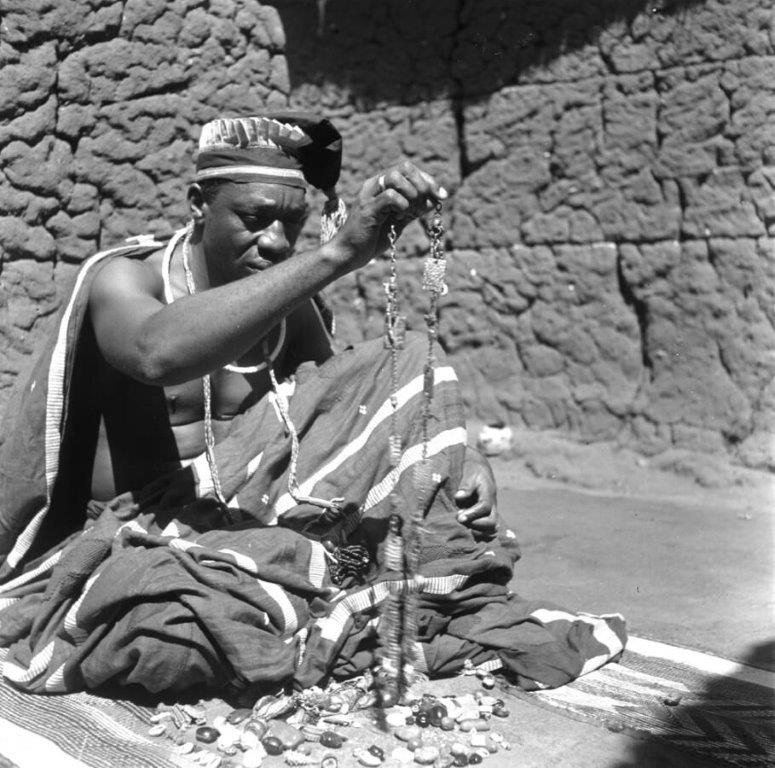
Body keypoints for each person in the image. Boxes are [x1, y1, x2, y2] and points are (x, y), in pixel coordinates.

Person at [0, 114, 625, 696]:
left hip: (241, 533)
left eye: (292, 224)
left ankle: (286, 603)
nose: (275, 242)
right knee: (167, 637)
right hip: (129, 535)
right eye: (254, 218)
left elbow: (350, 411)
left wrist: (456, 455)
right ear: (197, 204)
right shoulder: (124, 281)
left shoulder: (288, 310)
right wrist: (334, 255)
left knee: (410, 368)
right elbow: (157, 355)